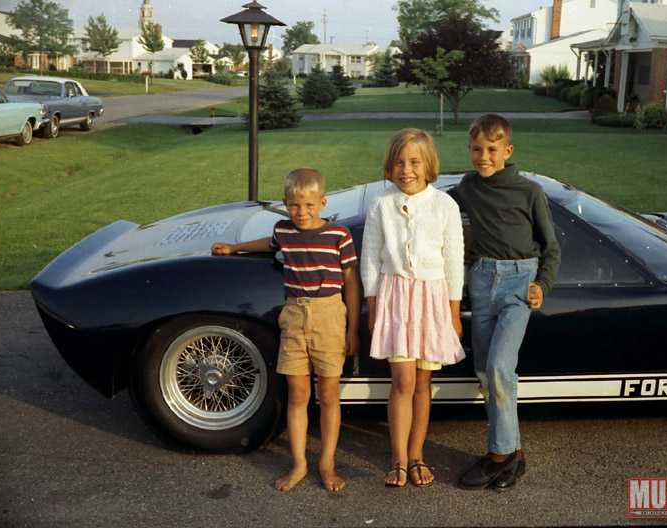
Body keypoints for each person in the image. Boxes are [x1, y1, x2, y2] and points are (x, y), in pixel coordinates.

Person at [211, 168, 360, 492]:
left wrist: (352, 330)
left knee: (328, 395)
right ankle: (299, 464)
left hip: (330, 316)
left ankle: (327, 463)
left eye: (309, 205)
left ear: (322, 204)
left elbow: (350, 281)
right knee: (298, 394)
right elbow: (269, 244)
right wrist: (234, 248)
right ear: (285, 203)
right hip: (294, 316)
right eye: (294, 205)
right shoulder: (284, 230)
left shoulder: (339, 235)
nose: (301, 212)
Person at [448, 114, 560, 492]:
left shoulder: (530, 192)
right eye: (476, 150)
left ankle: (498, 456)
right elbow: (438, 207)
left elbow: (551, 248)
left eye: (492, 150)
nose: (483, 157)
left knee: (498, 368)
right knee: (488, 375)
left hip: (518, 285)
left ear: (508, 150)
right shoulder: (468, 187)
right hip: (481, 281)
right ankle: (516, 455)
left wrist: (542, 284)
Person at [361, 128, 465, 488]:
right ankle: (398, 458)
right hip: (394, 297)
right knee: (402, 380)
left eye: (414, 162)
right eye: (399, 163)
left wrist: (453, 313)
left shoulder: (444, 205)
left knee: (423, 381)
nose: (406, 170)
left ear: (428, 164)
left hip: (432, 298)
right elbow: (370, 260)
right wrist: (373, 306)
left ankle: (417, 453)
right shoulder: (381, 204)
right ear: (390, 166)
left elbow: (454, 262)